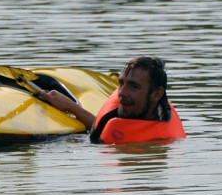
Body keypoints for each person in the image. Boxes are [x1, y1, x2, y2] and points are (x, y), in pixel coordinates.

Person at [40, 56, 184, 143]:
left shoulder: (165, 141)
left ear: (157, 94)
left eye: (134, 86)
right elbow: (104, 127)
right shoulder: (130, 112)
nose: (121, 93)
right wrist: (71, 106)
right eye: (121, 83)